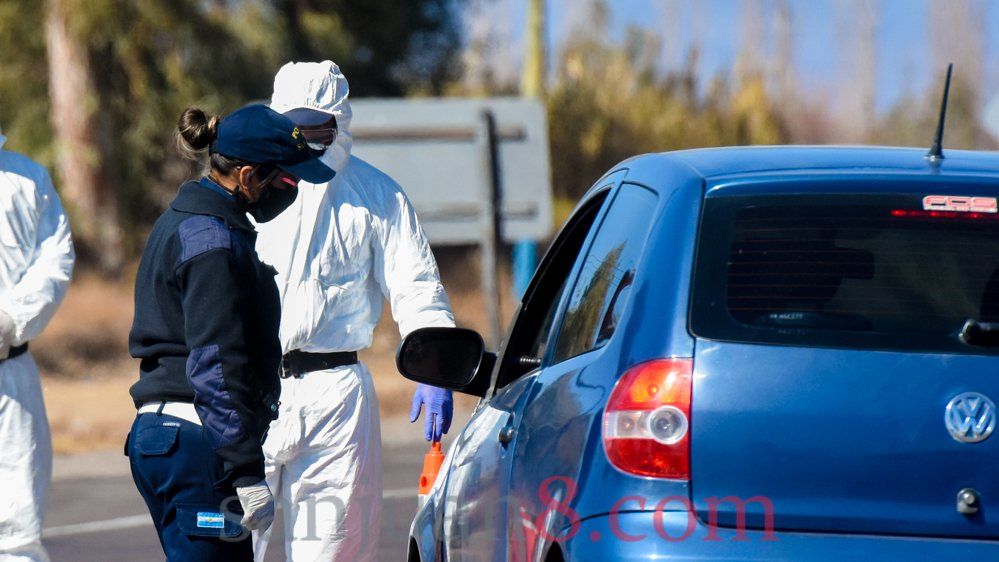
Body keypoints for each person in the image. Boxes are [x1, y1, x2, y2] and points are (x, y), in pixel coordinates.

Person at [252, 60, 456, 561]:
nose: (303, 137)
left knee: (332, 551)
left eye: (315, 124)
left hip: (335, 401)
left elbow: (416, 285)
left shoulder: (377, 196)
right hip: (248, 389)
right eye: (292, 125)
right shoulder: (249, 188)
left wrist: (434, 364)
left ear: (340, 122)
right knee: (226, 545)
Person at [126, 104, 335, 561]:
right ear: (246, 177)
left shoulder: (187, 220)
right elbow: (215, 362)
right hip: (199, 446)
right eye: (285, 177)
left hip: (166, 435)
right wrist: (244, 471)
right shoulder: (213, 243)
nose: (292, 188)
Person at [0, 123, 75, 562]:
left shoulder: (26, 181)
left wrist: (11, 319)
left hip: (11, 378)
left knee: (16, 531)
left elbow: (55, 258)